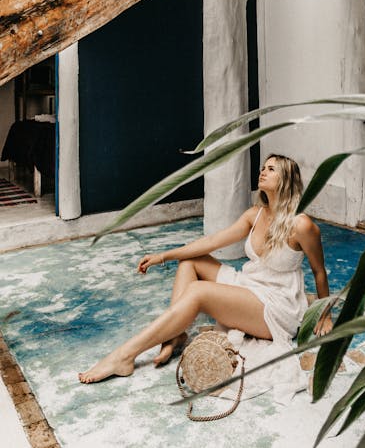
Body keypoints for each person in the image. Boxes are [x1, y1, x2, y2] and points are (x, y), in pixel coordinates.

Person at [78, 154, 333, 384]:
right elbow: (211, 242)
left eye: (272, 169)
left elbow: (318, 271)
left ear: (287, 180)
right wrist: (163, 256)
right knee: (191, 260)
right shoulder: (254, 214)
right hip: (249, 285)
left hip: (276, 305)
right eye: (263, 167)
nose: (263, 172)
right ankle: (175, 336)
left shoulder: (302, 225)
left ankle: (124, 356)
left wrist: (325, 314)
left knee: (199, 292)